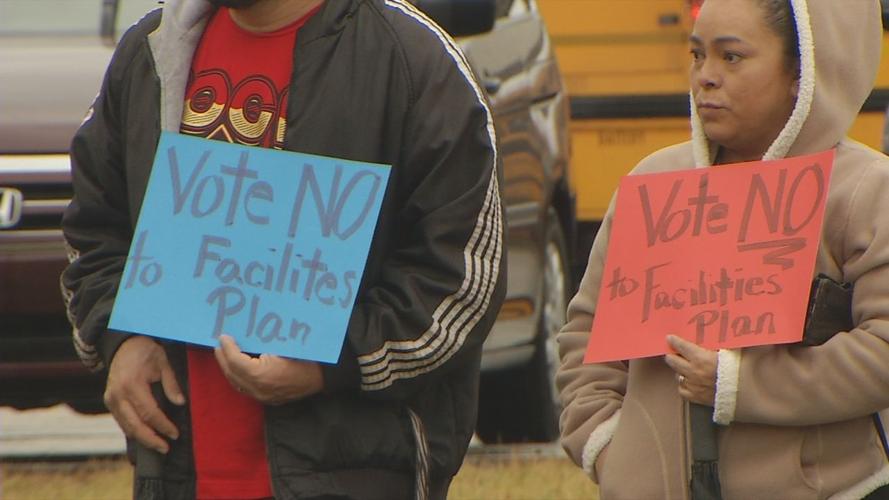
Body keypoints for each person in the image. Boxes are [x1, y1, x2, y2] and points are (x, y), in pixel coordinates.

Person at [60, 0, 506, 498]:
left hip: (351, 474)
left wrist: (331, 364)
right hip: (178, 473)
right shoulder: (150, 53)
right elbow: (96, 229)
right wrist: (121, 338)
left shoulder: (412, 60)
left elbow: (461, 279)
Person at [557, 0, 889, 498]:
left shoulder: (864, 190)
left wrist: (740, 385)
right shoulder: (652, 183)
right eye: (697, 55)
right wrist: (610, 450)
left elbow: (882, 348)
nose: (705, 77)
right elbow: (585, 342)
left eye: (731, 57)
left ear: (803, 72)